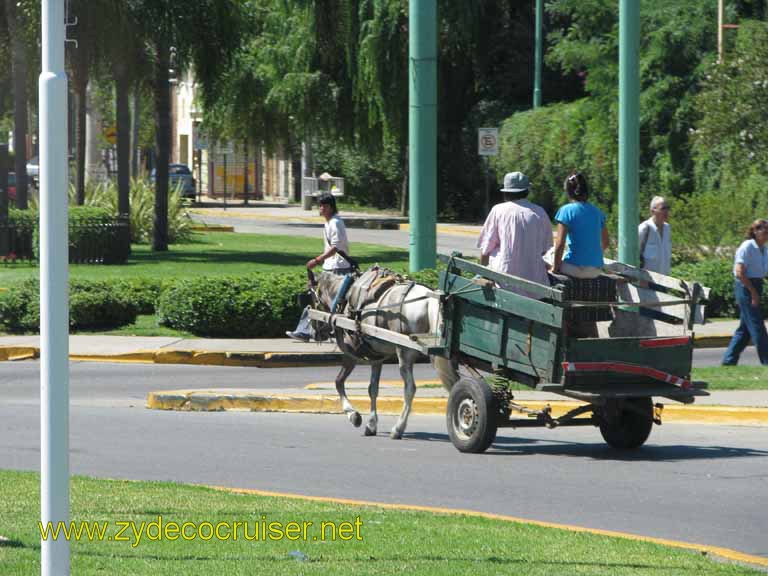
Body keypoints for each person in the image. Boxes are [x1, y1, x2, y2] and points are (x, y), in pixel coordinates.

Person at [286, 193, 352, 342]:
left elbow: (336, 247)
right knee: (318, 300)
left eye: (322, 206)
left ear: (329, 207)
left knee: (321, 301)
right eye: (320, 205)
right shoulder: (329, 222)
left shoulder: (335, 222)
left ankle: (308, 331)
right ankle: (311, 331)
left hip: (338, 269)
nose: (320, 208)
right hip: (330, 267)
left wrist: (317, 260)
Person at [476, 171, 552, 295]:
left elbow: (485, 250)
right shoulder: (540, 212)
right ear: (527, 191)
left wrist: (482, 275)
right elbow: (545, 250)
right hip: (536, 284)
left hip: (504, 282)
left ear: (505, 192)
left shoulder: (498, 210)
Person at [722, 219, 768, 366]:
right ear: (755, 231)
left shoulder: (764, 249)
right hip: (745, 287)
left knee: (745, 330)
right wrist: (753, 292)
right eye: (764, 230)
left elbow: (762, 272)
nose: (766, 233)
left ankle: (728, 361)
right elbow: (740, 272)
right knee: (757, 327)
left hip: (756, 285)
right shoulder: (747, 246)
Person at [551, 172, 608, 279]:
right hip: (595, 270)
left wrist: (555, 268)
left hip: (573, 268)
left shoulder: (565, 211)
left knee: (548, 258)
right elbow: (605, 243)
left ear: (568, 192)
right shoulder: (598, 212)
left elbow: (560, 244)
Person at [639, 196, 672, 275]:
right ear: (653, 211)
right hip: (647, 280)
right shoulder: (644, 228)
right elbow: (634, 255)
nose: (666, 211)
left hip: (664, 279)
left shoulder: (667, 228)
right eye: (663, 208)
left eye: (667, 208)